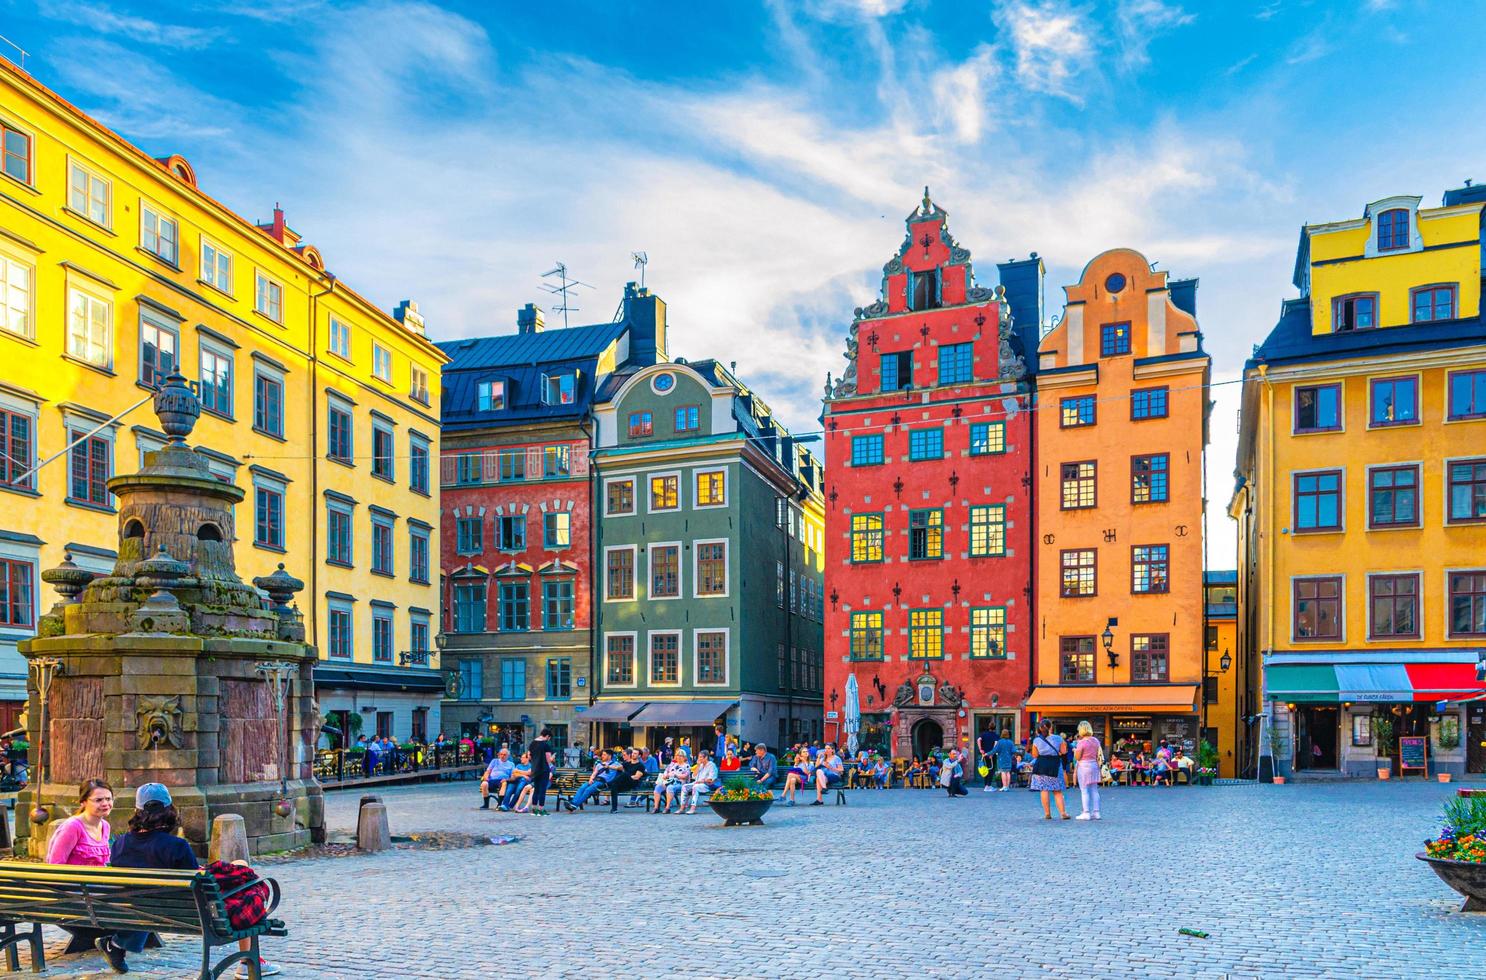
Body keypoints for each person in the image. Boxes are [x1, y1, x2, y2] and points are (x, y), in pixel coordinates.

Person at [1030, 720, 1070, 820]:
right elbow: (1064, 751)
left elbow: (1035, 755)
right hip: (1055, 764)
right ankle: (1063, 813)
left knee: (1044, 789)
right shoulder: (1058, 738)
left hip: (1042, 765)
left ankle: (1047, 813)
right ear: (1051, 727)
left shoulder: (1036, 740)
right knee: (1057, 791)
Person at [1073, 721, 1102, 821]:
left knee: (1084, 790)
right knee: (1094, 789)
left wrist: (1075, 751)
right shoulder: (1096, 741)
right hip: (1094, 765)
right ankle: (1096, 812)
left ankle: (1086, 813)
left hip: (1084, 766)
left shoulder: (1081, 742)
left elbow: (1078, 757)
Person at [680, 749, 720, 814]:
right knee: (684, 787)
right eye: (699, 757)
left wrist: (701, 781)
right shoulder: (700, 765)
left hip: (707, 785)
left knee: (695, 787)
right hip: (697, 783)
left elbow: (711, 779)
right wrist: (698, 766)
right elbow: (694, 776)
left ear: (706, 757)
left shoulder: (712, 765)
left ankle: (692, 808)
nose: (699, 759)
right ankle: (682, 808)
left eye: (701, 757)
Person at [528, 728, 556, 816]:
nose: (549, 739)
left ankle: (533, 809)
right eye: (549, 737)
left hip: (535, 769)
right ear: (547, 736)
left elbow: (529, 756)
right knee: (542, 790)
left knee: (536, 789)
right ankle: (541, 810)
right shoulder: (545, 745)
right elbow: (548, 760)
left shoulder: (532, 743)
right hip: (544, 769)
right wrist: (552, 758)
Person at [976, 727, 998, 792]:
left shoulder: (983, 734)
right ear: (994, 728)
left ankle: (986, 785)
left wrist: (980, 749)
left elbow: (978, 740)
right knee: (991, 769)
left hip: (984, 754)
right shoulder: (995, 735)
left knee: (986, 769)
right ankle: (988, 786)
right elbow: (996, 743)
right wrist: (992, 752)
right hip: (991, 755)